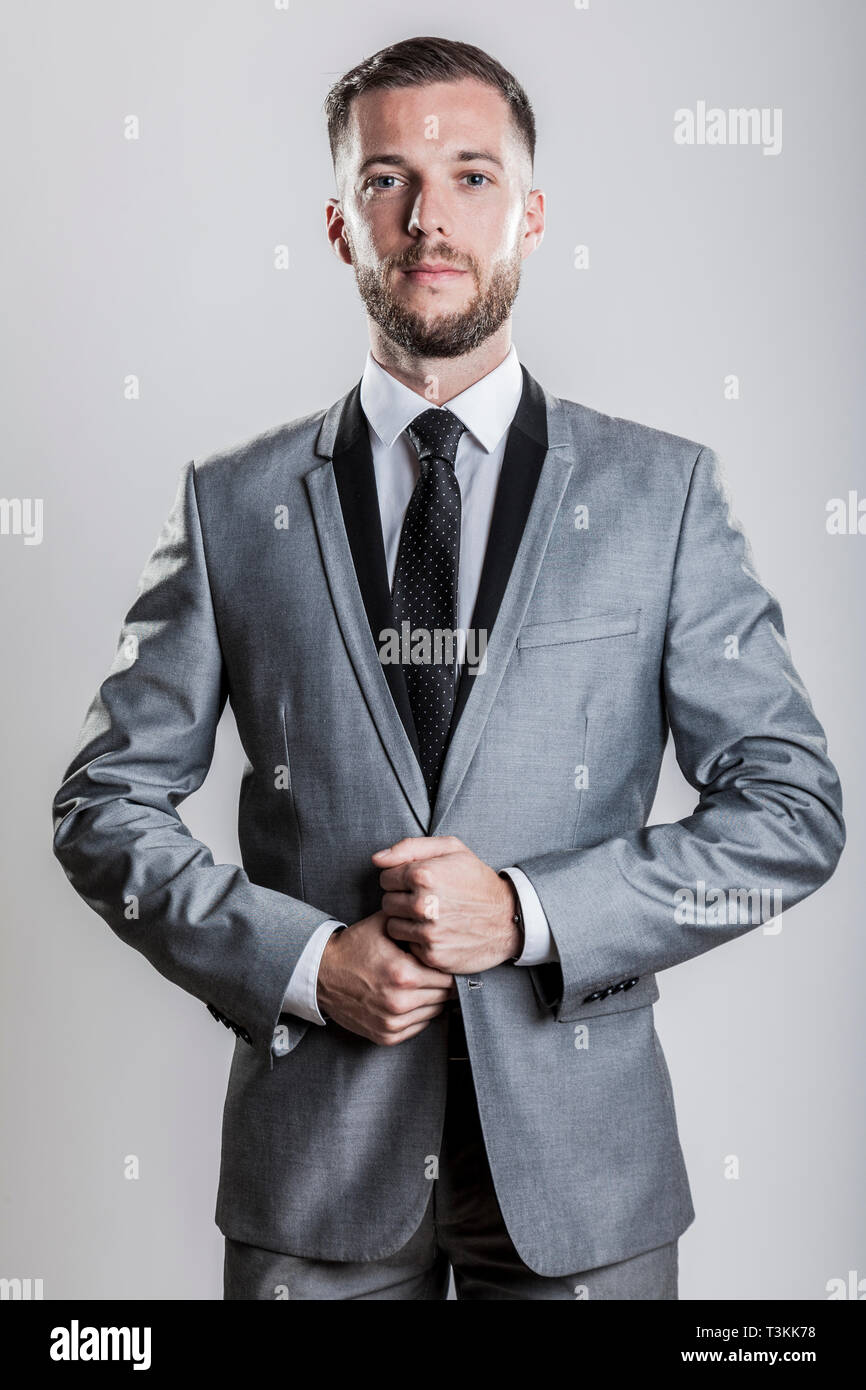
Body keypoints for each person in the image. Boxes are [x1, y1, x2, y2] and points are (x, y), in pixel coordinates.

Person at [51, 35, 845, 1300]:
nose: (429, 218)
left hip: (586, 1177)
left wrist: (531, 915)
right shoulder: (229, 504)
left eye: (471, 175)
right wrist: (305, 965)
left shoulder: (661, 496)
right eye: (387, 179)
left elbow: (793, 813)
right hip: (314, 1171)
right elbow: (101, 806)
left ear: (530, 214)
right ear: (336, 222)